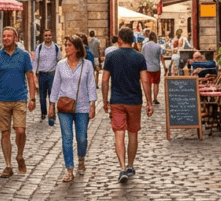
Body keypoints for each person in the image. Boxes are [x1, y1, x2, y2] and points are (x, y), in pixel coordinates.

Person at [101, 26, 152, 184]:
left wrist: (104, 100)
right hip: (134, 101)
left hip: (117, 101)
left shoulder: (111, 57)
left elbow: (104, 80)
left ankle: (122, 168)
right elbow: (145, 80)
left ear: (120, 40)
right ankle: (130, 165)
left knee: (119, 135)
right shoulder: (139, 57)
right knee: (133, 134)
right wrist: (149, 102)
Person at [0, 27, 37, 178]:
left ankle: (19, 155)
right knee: (5, 133)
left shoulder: (24, 55)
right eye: (4, 35)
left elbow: (30, 76)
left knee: (20, 130)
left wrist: (32, 98)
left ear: (15, 38)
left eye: (9, 36)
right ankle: (8, 165)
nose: (6, 38)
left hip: (20, 97)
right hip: (1, 99)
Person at [48, 35, 97, 182]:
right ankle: (69, 169)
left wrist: (93, 104)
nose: (66, 47)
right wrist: (51, 105)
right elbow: (55, 86)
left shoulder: (87, 65)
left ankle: (81, 158)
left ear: (77, 48)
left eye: (69, 45)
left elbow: (91, 85)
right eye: (65, 45)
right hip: (64, 107)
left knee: (82, 138)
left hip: (82, 106)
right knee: (67, 138)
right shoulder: (61, 65)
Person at [33, 29, 61, 122]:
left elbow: (59, 61)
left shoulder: (56, 47)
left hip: (52, 75)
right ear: (43, 37)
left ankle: (52, 113)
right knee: (42, 96)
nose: (47, 37)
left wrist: (59, 75)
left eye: (49, 35)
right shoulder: (39, 47)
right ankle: (43, 113)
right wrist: (34, 74)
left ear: (51, 36)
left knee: (52, 95)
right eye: (46, 35)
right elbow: (36, 61)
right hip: (42, 74)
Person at [141, 32, 163, 104]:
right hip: (156, 67)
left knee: (148, 84)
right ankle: (155, 99)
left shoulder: (144, 46)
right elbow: (160, 56)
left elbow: (142, 57)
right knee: (156, 84)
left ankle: (148, 99)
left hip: (147, 68)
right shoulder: (158, 46)